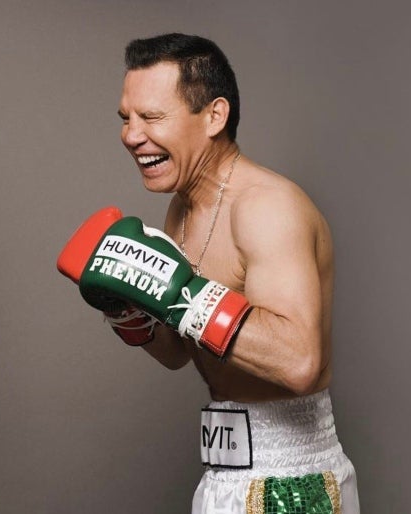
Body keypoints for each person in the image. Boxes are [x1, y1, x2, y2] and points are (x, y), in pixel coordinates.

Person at [58, 33, 359, 513]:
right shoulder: (182, 210)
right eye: (126, 118)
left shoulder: (265, 206)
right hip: (224, 475)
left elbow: (299, 362)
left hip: (290, 483)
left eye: (151, 117)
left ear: (214, 116)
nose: (131, 136)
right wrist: (128, 311)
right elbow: (179, 351)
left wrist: (181, 293)